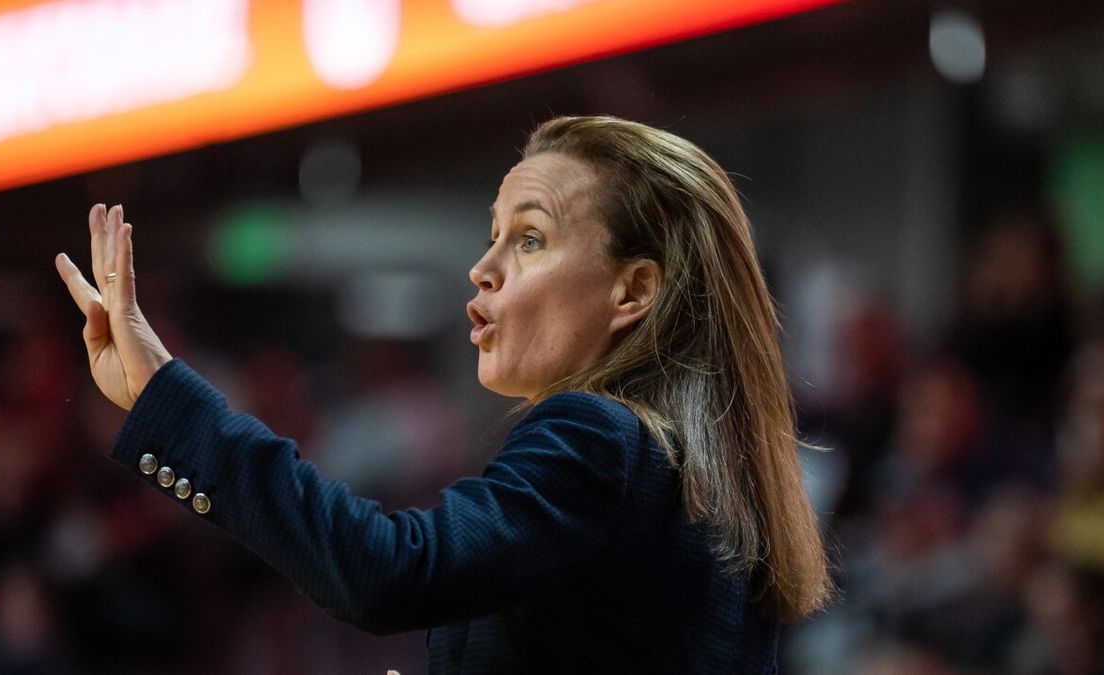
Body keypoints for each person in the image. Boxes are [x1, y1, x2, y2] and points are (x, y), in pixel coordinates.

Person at [55, 115, 832, 673]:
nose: (483, 267)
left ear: (634, 290)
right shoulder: (711, 482)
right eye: (492, 234)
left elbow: (387, 571)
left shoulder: (596, 435)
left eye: (528, 238)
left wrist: (169, 397)